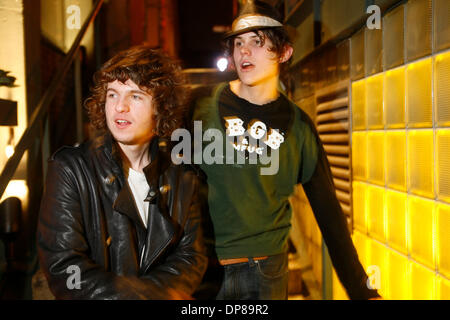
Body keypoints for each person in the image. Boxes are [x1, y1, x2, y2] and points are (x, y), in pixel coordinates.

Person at [191, 0, 380, 300]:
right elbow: (172, 189)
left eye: (257, 41)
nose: (244, 51)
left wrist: (363, 291)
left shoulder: (300, 128)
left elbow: (330, 216)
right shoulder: (201, 107)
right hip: (205, 273)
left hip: (266, 275)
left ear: (284, 52)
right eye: (238, 43)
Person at [37, 46, 207, 299]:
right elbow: (64, 268)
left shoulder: (182, 178)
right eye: (113, 94)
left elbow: (191, 257)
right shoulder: (70, 168)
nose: (120, 107)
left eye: (136, 96)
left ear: (161, 108)